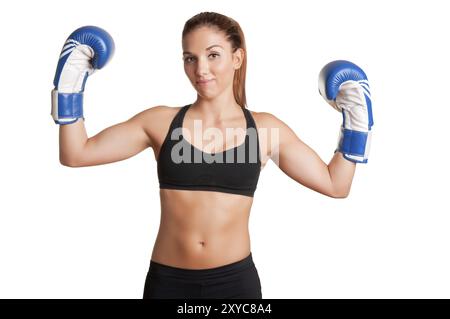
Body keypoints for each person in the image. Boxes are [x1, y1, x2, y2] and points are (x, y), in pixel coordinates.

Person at [51, 12, 373, 299]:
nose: (200, 69)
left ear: (237, 58)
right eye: (189, 58)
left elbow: (335, 184)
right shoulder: (160, 122)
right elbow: (76, 153)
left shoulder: (264, 130)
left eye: (213, 55)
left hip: (235, 285)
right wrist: (69, 86)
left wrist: (357, 121)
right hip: (168, 283)